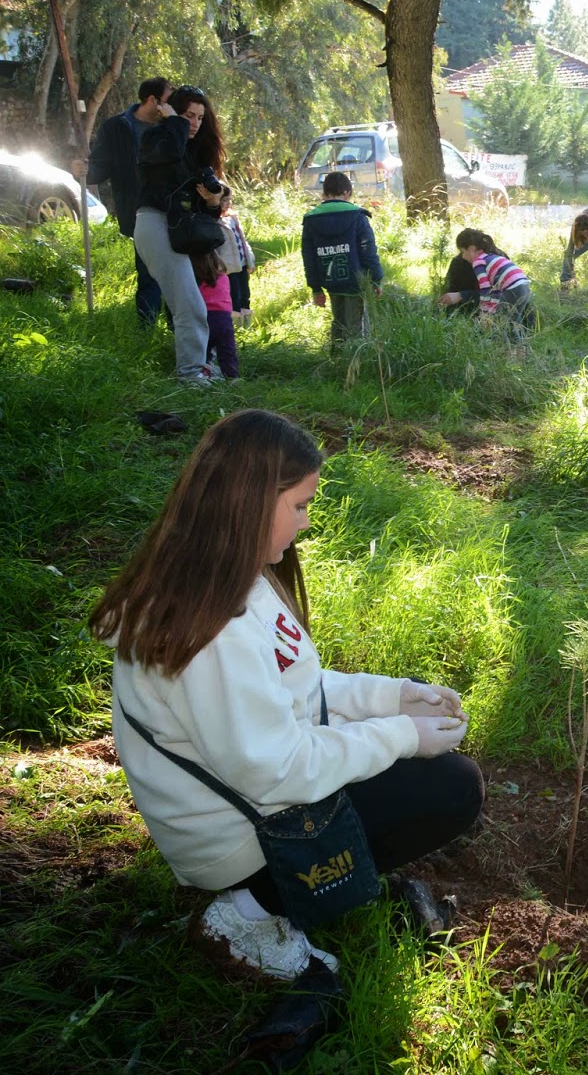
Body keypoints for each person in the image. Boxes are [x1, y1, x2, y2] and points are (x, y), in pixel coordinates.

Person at [89, 409, 484, 981]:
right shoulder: (213, 630)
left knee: (437, 777)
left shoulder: (229, 579)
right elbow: (275, 771)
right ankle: (245, 913)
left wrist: (394, 698)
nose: (304, 523)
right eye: (298, 506)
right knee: (450, 789)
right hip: (232, 835)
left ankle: (298, 886)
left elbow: (297, 687)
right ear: (248, 502)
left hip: (245, 794)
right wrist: (401, 737)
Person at [133, 84, 226, 386]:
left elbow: (199, 214)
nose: (195, 123)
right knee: (189, 305)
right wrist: (173, 120)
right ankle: (191, 374)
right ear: (171, 113)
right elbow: (168, 154)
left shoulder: (192, 153)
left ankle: (199, 367)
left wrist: (213, 204)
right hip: (154, 224)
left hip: (181, 232)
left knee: (192, 304)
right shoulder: (157, 138)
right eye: (188, 115)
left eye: (200, 117)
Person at [76, 76, 170, 326]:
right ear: (152, 100)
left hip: (172, 210)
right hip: (139, 212)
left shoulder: (171, 126)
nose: (172, 108)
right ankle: (147, 331)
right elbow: (99, 167)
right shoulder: (116, 127)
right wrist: (83, 170)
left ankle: (177, 329)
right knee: (148, 272)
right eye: (168, 101)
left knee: (176, 273)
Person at [301, 172, 382, 346]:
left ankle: (337, 360)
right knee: (358, 327)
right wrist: (376, 279)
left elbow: (309, 257)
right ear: (347, 193)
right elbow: (368, 250)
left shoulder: (311, 220)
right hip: (356, 281)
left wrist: (316, 288)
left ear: (324, 194)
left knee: (338, 320)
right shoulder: (358, 216)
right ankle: (355, 364)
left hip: (330, 280)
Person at [437, 228, 531, 325]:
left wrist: (464, 296)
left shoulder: (480, 262)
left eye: (462, 252)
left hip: (502, 298)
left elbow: (489, 292)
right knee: (512, 322)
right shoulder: (460, 262)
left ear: (471, 249)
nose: (463, 256)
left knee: (505, 323)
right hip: (523, 287)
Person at [193, 248, 237, 379]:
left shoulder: (195, 281)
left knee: (203, 350)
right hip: (223, 319)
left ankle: (203, 373)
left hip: (204, 318)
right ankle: (232, 377)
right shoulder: (224, 277)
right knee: (227, 351)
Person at [217, 187, 255, 330]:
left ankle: (247, 326)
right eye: (224, 200)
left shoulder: (232, 218)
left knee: (245, 294)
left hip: (242, 263)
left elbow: (243, 241)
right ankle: (236, 328)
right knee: (234, 296)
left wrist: (250, 258)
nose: (227, 203)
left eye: (229, 200)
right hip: (228, 267)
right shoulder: (216, 222)